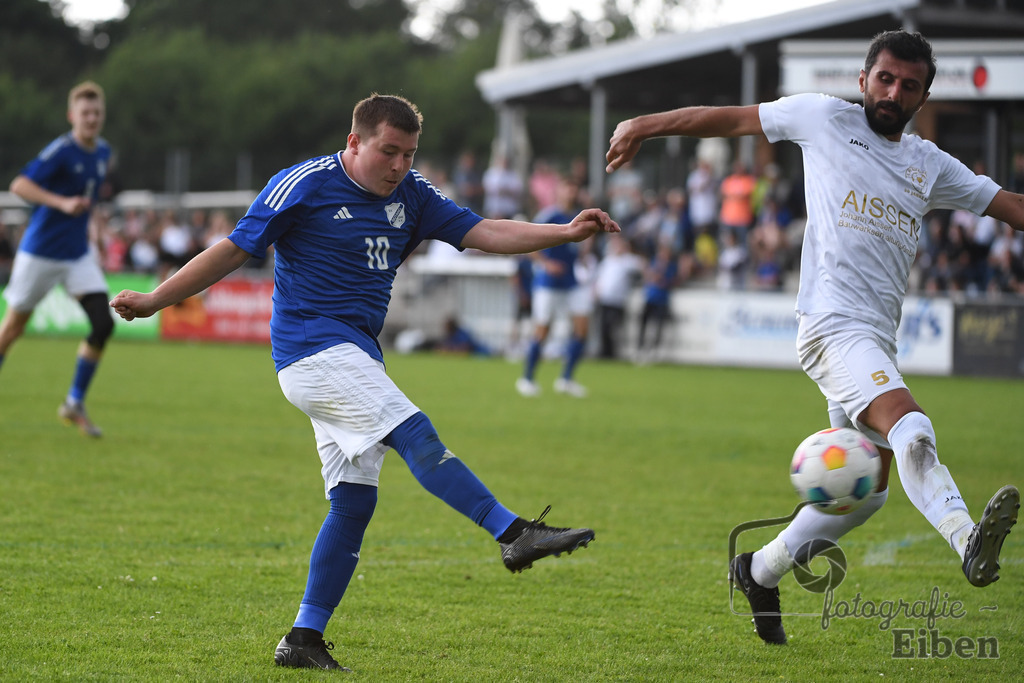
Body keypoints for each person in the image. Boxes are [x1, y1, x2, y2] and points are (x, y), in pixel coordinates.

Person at [111, 94, 617, 671]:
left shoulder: (414, 194)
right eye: (388, 151)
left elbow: (482, 231)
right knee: (415, 433)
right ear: (354, 143)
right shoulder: (303, 184)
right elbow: (232, 250)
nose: (399, 165)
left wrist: (563, 233)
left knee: (353, 502)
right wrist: (155, 300)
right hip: (310, 351)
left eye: (409, 153)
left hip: (356, 358)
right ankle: (512, 532)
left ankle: (302, 638)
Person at [606, 30, 1023, 645]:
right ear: (863, 80)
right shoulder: (822, 118)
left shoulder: (929, 164)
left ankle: (759, 570)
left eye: (909, 85)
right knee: (911, 425)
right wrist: (645, 123)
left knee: (863, 497)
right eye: (884, 78)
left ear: (924, 96)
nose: (893, 91)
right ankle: (969, 540)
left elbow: (1009, 204)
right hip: (830, 329)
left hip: (874, 340)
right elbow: (722, 119)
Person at [0, 81, 114, 437]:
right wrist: (62, 203)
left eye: (96, 112)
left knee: (103, 323)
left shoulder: (103, 152)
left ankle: (74, 402)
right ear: (72, 116)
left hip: (76, 255)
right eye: (85, 113)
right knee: (13, 329)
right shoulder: (61, 150)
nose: (91, 119)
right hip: (40, 253)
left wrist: (93, 232)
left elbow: (90, 200)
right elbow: (19, 185)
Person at [515, 176, 593, 398]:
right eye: (568, 187)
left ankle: (566, 379)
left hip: (571, 281)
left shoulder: (578, 217)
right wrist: (546, 264)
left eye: (574, 188)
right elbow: (527, 242)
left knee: (582, 329)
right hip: (548, 283)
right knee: (543, 331)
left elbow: (579, 249)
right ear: (559, 192)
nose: (571, 192)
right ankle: (527, 379)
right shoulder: (549, 215)